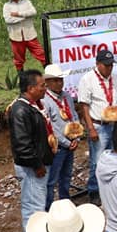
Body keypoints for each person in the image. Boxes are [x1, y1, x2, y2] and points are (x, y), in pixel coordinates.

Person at [9, 70, 55, 232]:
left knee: (37, 202)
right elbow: (22, 145)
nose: (45, 88)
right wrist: (37, 165)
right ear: (30, 88)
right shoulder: (20, 110)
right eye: (42, 85)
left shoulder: (33, 106)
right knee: (33, 205)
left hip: (38, 163)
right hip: (32, 167)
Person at [77, 48, 117, 205]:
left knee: (112, 158)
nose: (109, 68)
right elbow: (84, 106)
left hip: (113, 124)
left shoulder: (114, 79)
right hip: (98, 126)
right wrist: (91, 128)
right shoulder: (87, 79)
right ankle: (94, 191)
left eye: (111, 65)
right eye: (106, 65)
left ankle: (109, 188)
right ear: (98, 64)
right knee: (97, 161)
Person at [41, 64, 80, 207]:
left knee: (66, 175)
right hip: (58, 146)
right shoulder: (45, 101)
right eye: (56, 80)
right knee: (52, 179)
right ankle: (48, 207)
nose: (59, 83)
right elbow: (50, 127)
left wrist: (76, 136)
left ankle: (65, 202)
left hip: (71, 141)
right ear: (48, 82)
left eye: (61, 80)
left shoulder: (67, 96)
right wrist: (66, 142)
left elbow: (74, 116)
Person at [1, 0, 47, 72]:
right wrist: (24, 17)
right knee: (18, 59)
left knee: (41, 54)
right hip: (15, 36)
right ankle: (22, 80)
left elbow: (33, 12)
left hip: (30, 34)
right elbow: (8, 20)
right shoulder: (7, 6)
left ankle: (50, 75)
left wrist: (18, 14)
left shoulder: (27, 2)